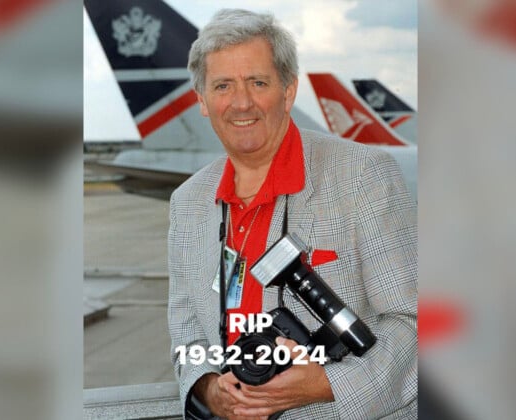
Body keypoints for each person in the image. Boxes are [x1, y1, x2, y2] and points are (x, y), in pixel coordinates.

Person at [167, 8, 417, 419]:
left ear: (288, 91)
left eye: (258, 82)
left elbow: (415, 322)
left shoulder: (362, 175)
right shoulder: (188, 201)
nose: (241, 102)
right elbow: (186, 326)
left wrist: (324, 384)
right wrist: (209, 389)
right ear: (203, 102)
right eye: (223, 86)